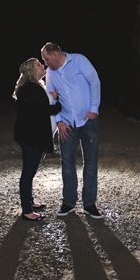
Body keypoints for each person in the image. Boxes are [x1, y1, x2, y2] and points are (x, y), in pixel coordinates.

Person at [41, 43, 102, 218]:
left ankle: (89, 204)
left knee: (90, 164)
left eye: (46, 59)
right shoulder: (51, 73)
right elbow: (50, 96)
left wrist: (93, 109)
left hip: (87, 121)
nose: (45, 64)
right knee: (67, 163)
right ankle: (68, 202)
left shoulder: (79, 60)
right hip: (66, 123)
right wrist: (58, 121)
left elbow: (94, 81)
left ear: (55, 55)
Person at [13, 57, 61, 221]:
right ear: (32, 71)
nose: (42, 66)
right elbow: (45, 109)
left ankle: (30, 202)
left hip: (32, 135)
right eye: (38, 65)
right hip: (31, 136)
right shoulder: (31, 89)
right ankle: (27, 210)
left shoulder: (34, 87)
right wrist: (60, 101)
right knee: (28, 172)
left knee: (30, 172)